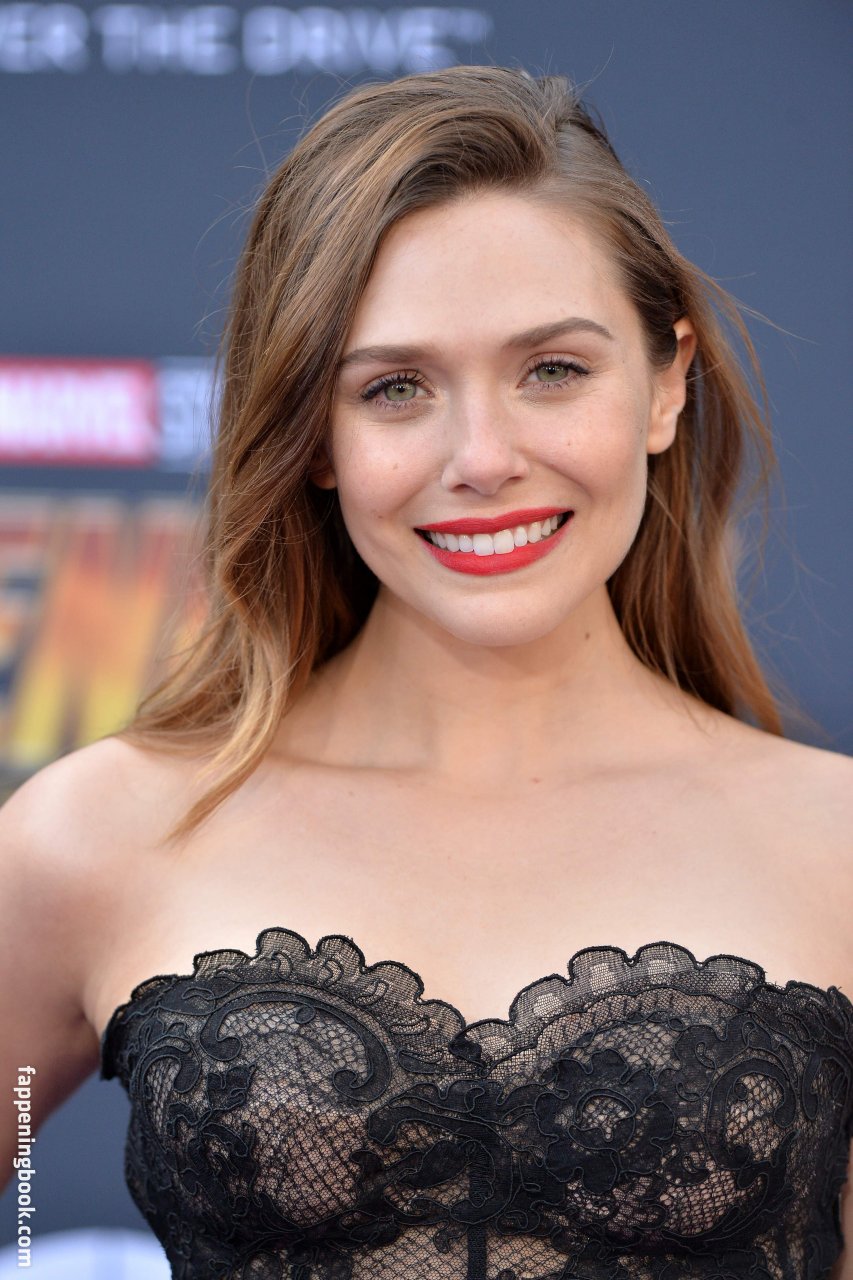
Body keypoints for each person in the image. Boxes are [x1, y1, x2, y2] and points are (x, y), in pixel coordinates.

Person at [1, 65, 851, 1280]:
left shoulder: (834, 848)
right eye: (394, 388)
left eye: (552, 369)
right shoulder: (97, 834)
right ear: (314, 434)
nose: (483, 457)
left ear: (667, 383)